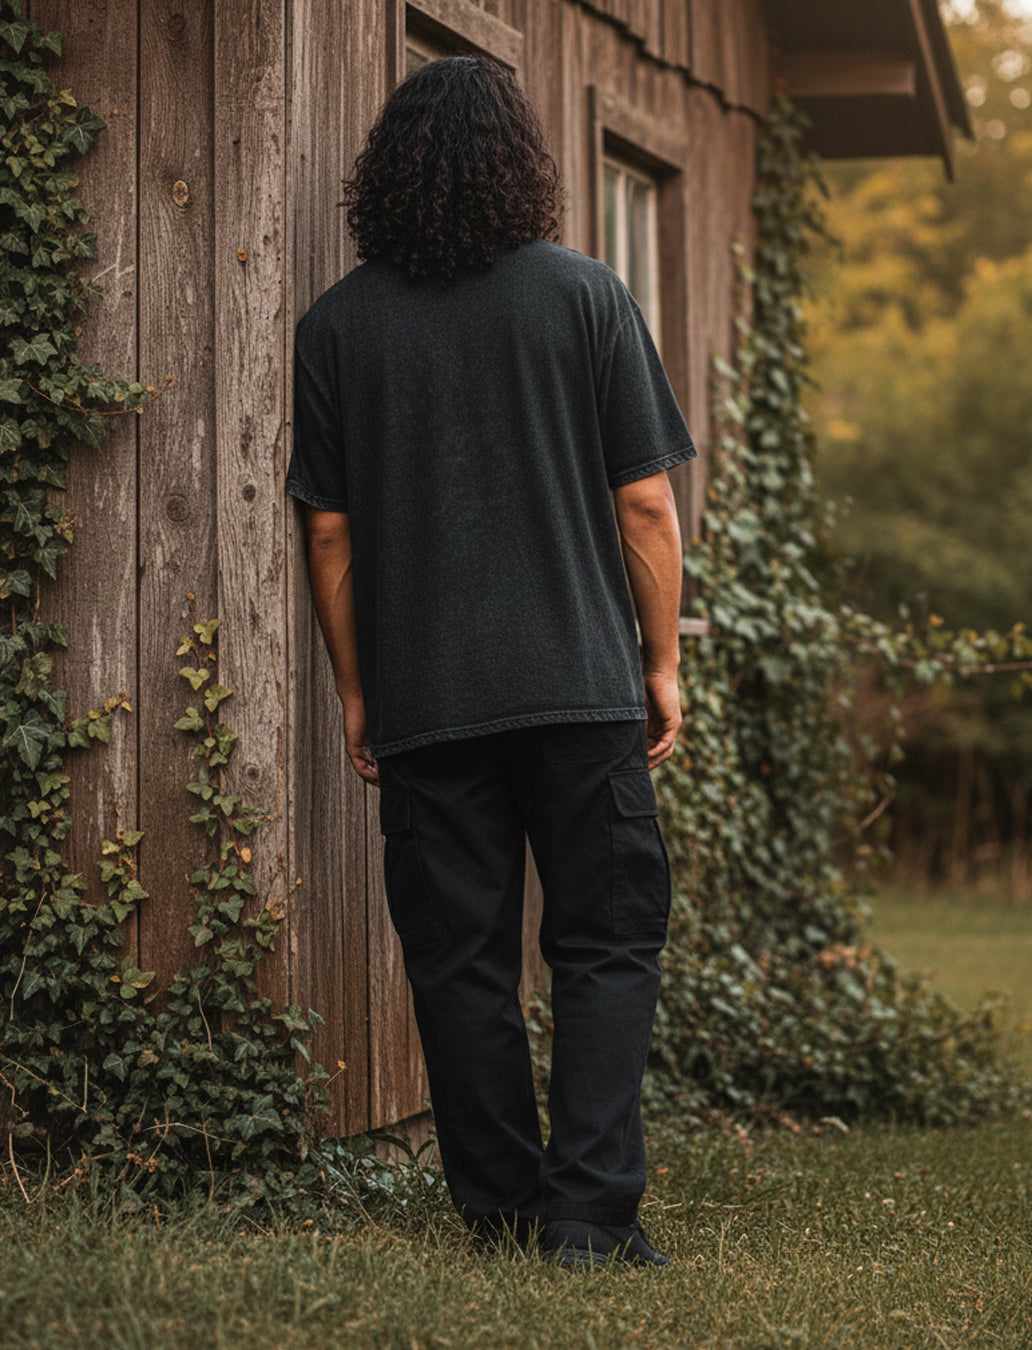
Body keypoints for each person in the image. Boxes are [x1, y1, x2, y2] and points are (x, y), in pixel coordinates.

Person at [286, 55, 695, 1268]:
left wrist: (360, 691)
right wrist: (660, 661)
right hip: (581, 690)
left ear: (385, 177)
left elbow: (327, 530)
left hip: (428, 703)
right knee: (606, 943)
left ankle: (508, 1219)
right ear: (523, 166)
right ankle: (587, 1219)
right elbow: (647, 511)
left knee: (460, 962)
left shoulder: (336, 325)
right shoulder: (586, 297)